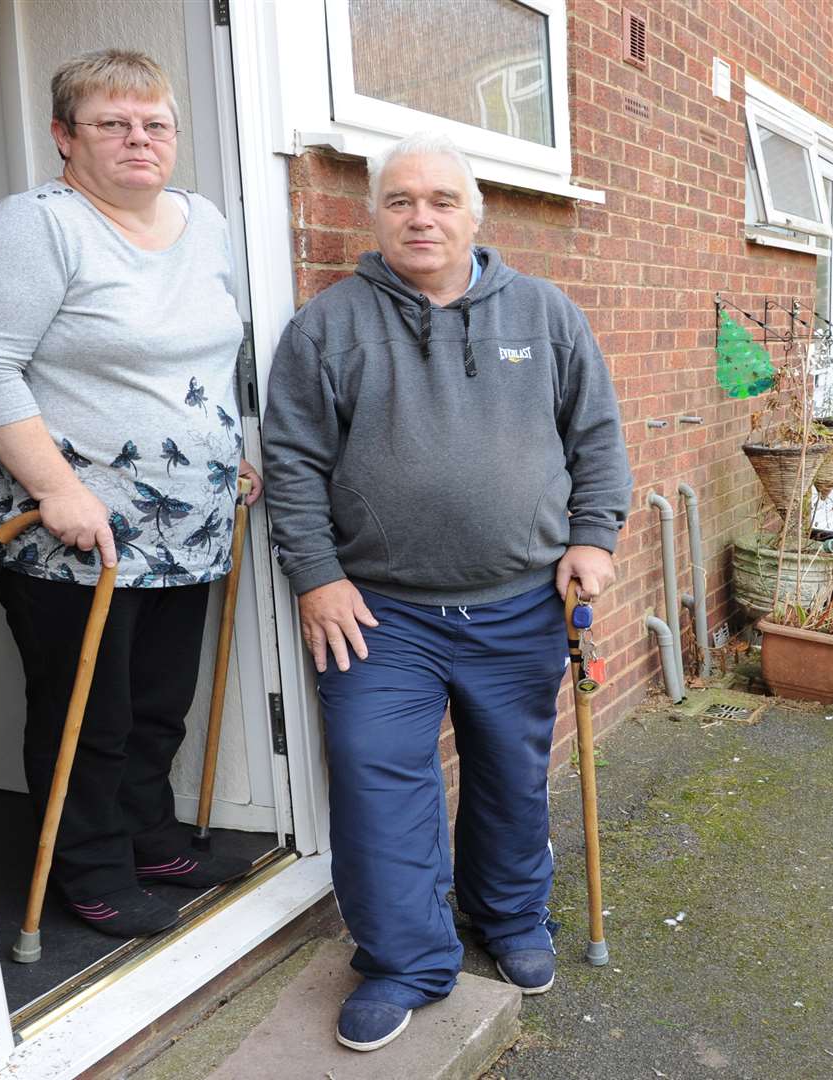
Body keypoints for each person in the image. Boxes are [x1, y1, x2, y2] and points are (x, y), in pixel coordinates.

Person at [262, 131, 632, 1052]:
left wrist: (593, 538)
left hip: (518, 606)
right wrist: (317, 574)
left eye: (440, 200)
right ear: (375, 215)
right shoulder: (327, 327)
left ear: (476, 213)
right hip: (380, 617)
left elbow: (596, 437)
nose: (420, 216)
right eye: (399, 201)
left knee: (511, 776)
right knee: (375, 775)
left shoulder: (545, 314)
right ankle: (404, 961)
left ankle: (507, 921)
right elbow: (294, 463)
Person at [0, 49, 263, 940]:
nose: (138, 140)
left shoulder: (207, 223)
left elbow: (222, 351)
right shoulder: (38, 226)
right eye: (112, 124)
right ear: (63, 137)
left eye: (155, 124)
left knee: (159, 698)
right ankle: (89, 867)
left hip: (189, 523)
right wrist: (56, 488)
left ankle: (149, 836)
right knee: (91, 712)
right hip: (69, 530)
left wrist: (239, 444)